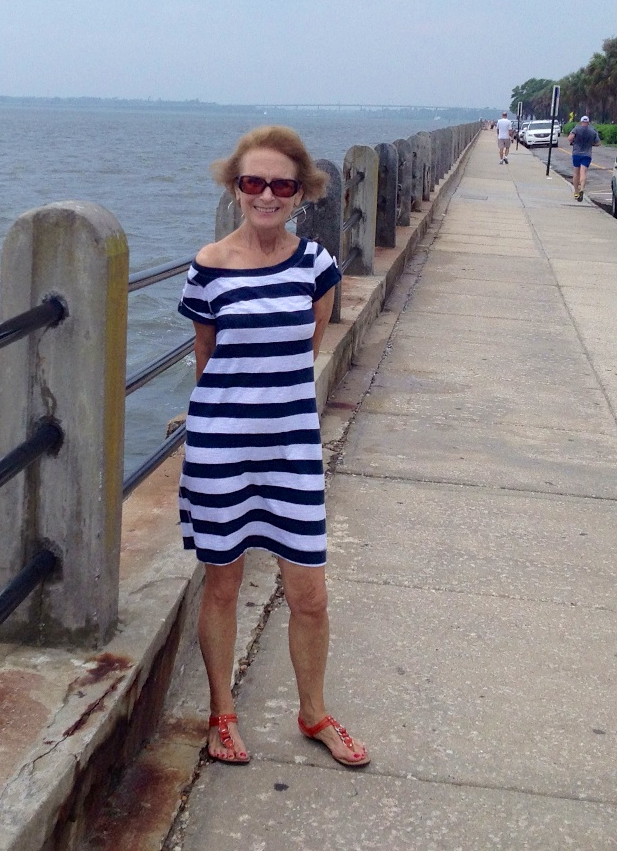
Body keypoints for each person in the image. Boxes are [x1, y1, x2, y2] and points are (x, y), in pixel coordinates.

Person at [178, 125, 369, 770]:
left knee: (309, 593)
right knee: (222, 586)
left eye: (281, 185)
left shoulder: (316, 266)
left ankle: (313, 712)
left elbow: (308, 349)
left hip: (291, 448)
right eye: (253, 182)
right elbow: (206, 356)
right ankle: (221, 714)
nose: (266, 195)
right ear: (235, 188)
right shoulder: (208, 265)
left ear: (302, 193)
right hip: (220, 448)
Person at [568, 115, 600, 201]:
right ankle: (582, 188)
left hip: (576, 153)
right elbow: (598, 143)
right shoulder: (593, 130)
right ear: (588, 123)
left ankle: (576, 192)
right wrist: (591, 143)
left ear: (581, 122)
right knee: (583, 172)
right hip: (587, 154)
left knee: (576, 173)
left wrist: (573, 141)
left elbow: (570, 138)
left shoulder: (576, 129)